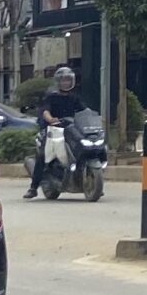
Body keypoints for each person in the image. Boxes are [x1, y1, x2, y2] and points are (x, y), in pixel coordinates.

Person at [27, 67, 92, 200]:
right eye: (63, 81)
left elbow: (85, 111)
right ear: (58, 82)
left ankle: (87, 180)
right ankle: (33, 188)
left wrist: (94, 117)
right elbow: (45, 110)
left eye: (68, 80)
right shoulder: (51, 96)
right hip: (52, 129)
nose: (66, 83)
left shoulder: (74, 97)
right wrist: (50, 119)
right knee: (43, 155)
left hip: (70, 128)